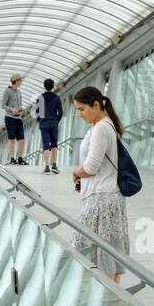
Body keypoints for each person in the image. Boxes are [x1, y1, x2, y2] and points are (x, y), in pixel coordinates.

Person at [71, 86, 129, 283]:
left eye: (82, 109)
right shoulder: (101, 126)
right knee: (106, 255)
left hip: (101, 200)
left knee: (103, 257)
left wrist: (76, 172)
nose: (80, 114)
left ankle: (107, 302)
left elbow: (91, 166)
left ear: (96, 105)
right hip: (102, 196)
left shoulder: (102, 127)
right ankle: (110, 302)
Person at [34, 78, 64, 174]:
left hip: (44, 124)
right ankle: (54, 165)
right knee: (54, 144)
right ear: (53, 86)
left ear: (44, 86)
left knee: (46, 145)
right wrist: (56, 120)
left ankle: (47, 167)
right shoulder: (56, 97)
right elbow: (61, 112)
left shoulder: (40, 98)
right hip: (53, 123)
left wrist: (41, 121)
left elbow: (36, 112)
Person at [2, 73, 27, 164]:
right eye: (20, 80)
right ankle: (12, 159)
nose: (21, 82)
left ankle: (20, 159)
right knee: (11, 138)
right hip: (10, 118)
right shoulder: (7, 91)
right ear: (16, 81)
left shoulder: (19, 92)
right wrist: (11, 109)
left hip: (18, 118)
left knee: (22, 139)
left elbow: (19, 106)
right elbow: (3, 105)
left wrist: (22, 110)